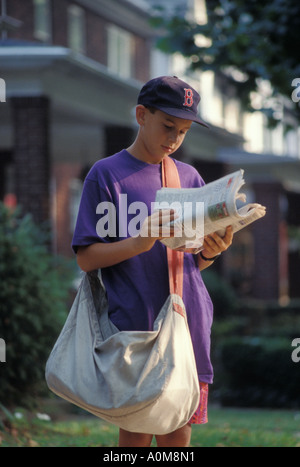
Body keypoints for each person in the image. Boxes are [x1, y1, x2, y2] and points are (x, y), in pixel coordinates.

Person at [72, 76, 233, 447]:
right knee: (136, 436)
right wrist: (140, 242)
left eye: (184, 130)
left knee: (179, 435)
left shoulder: (188, 177)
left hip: (187, 320)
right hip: (136, 327)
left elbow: (189, 265)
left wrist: (210, 251)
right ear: (141, 115)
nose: (175, 138)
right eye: (168, 126)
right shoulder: (107, 174)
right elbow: (86, 257)